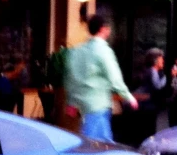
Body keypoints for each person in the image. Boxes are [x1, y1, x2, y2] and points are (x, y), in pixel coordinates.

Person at [64, 14, 138, 143]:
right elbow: (114, 77)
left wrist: (71, 102)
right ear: (103, 29)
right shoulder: (103, 50)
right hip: (98, 105)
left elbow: (70, 79)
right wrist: (128, 97)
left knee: (95, 144)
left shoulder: (76, 52)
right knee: (97, 147)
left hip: (83, 107)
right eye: (108, 28)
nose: (109, 30)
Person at [136, 47, 175, 143]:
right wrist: (168, 76)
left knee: (149, 128)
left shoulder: (152, 71)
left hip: (148, 104)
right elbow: (157, 86)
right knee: (148, 128)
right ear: (155, 61)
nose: (163, 62)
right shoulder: (152, 71)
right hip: (146, 104)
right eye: (161, 59)